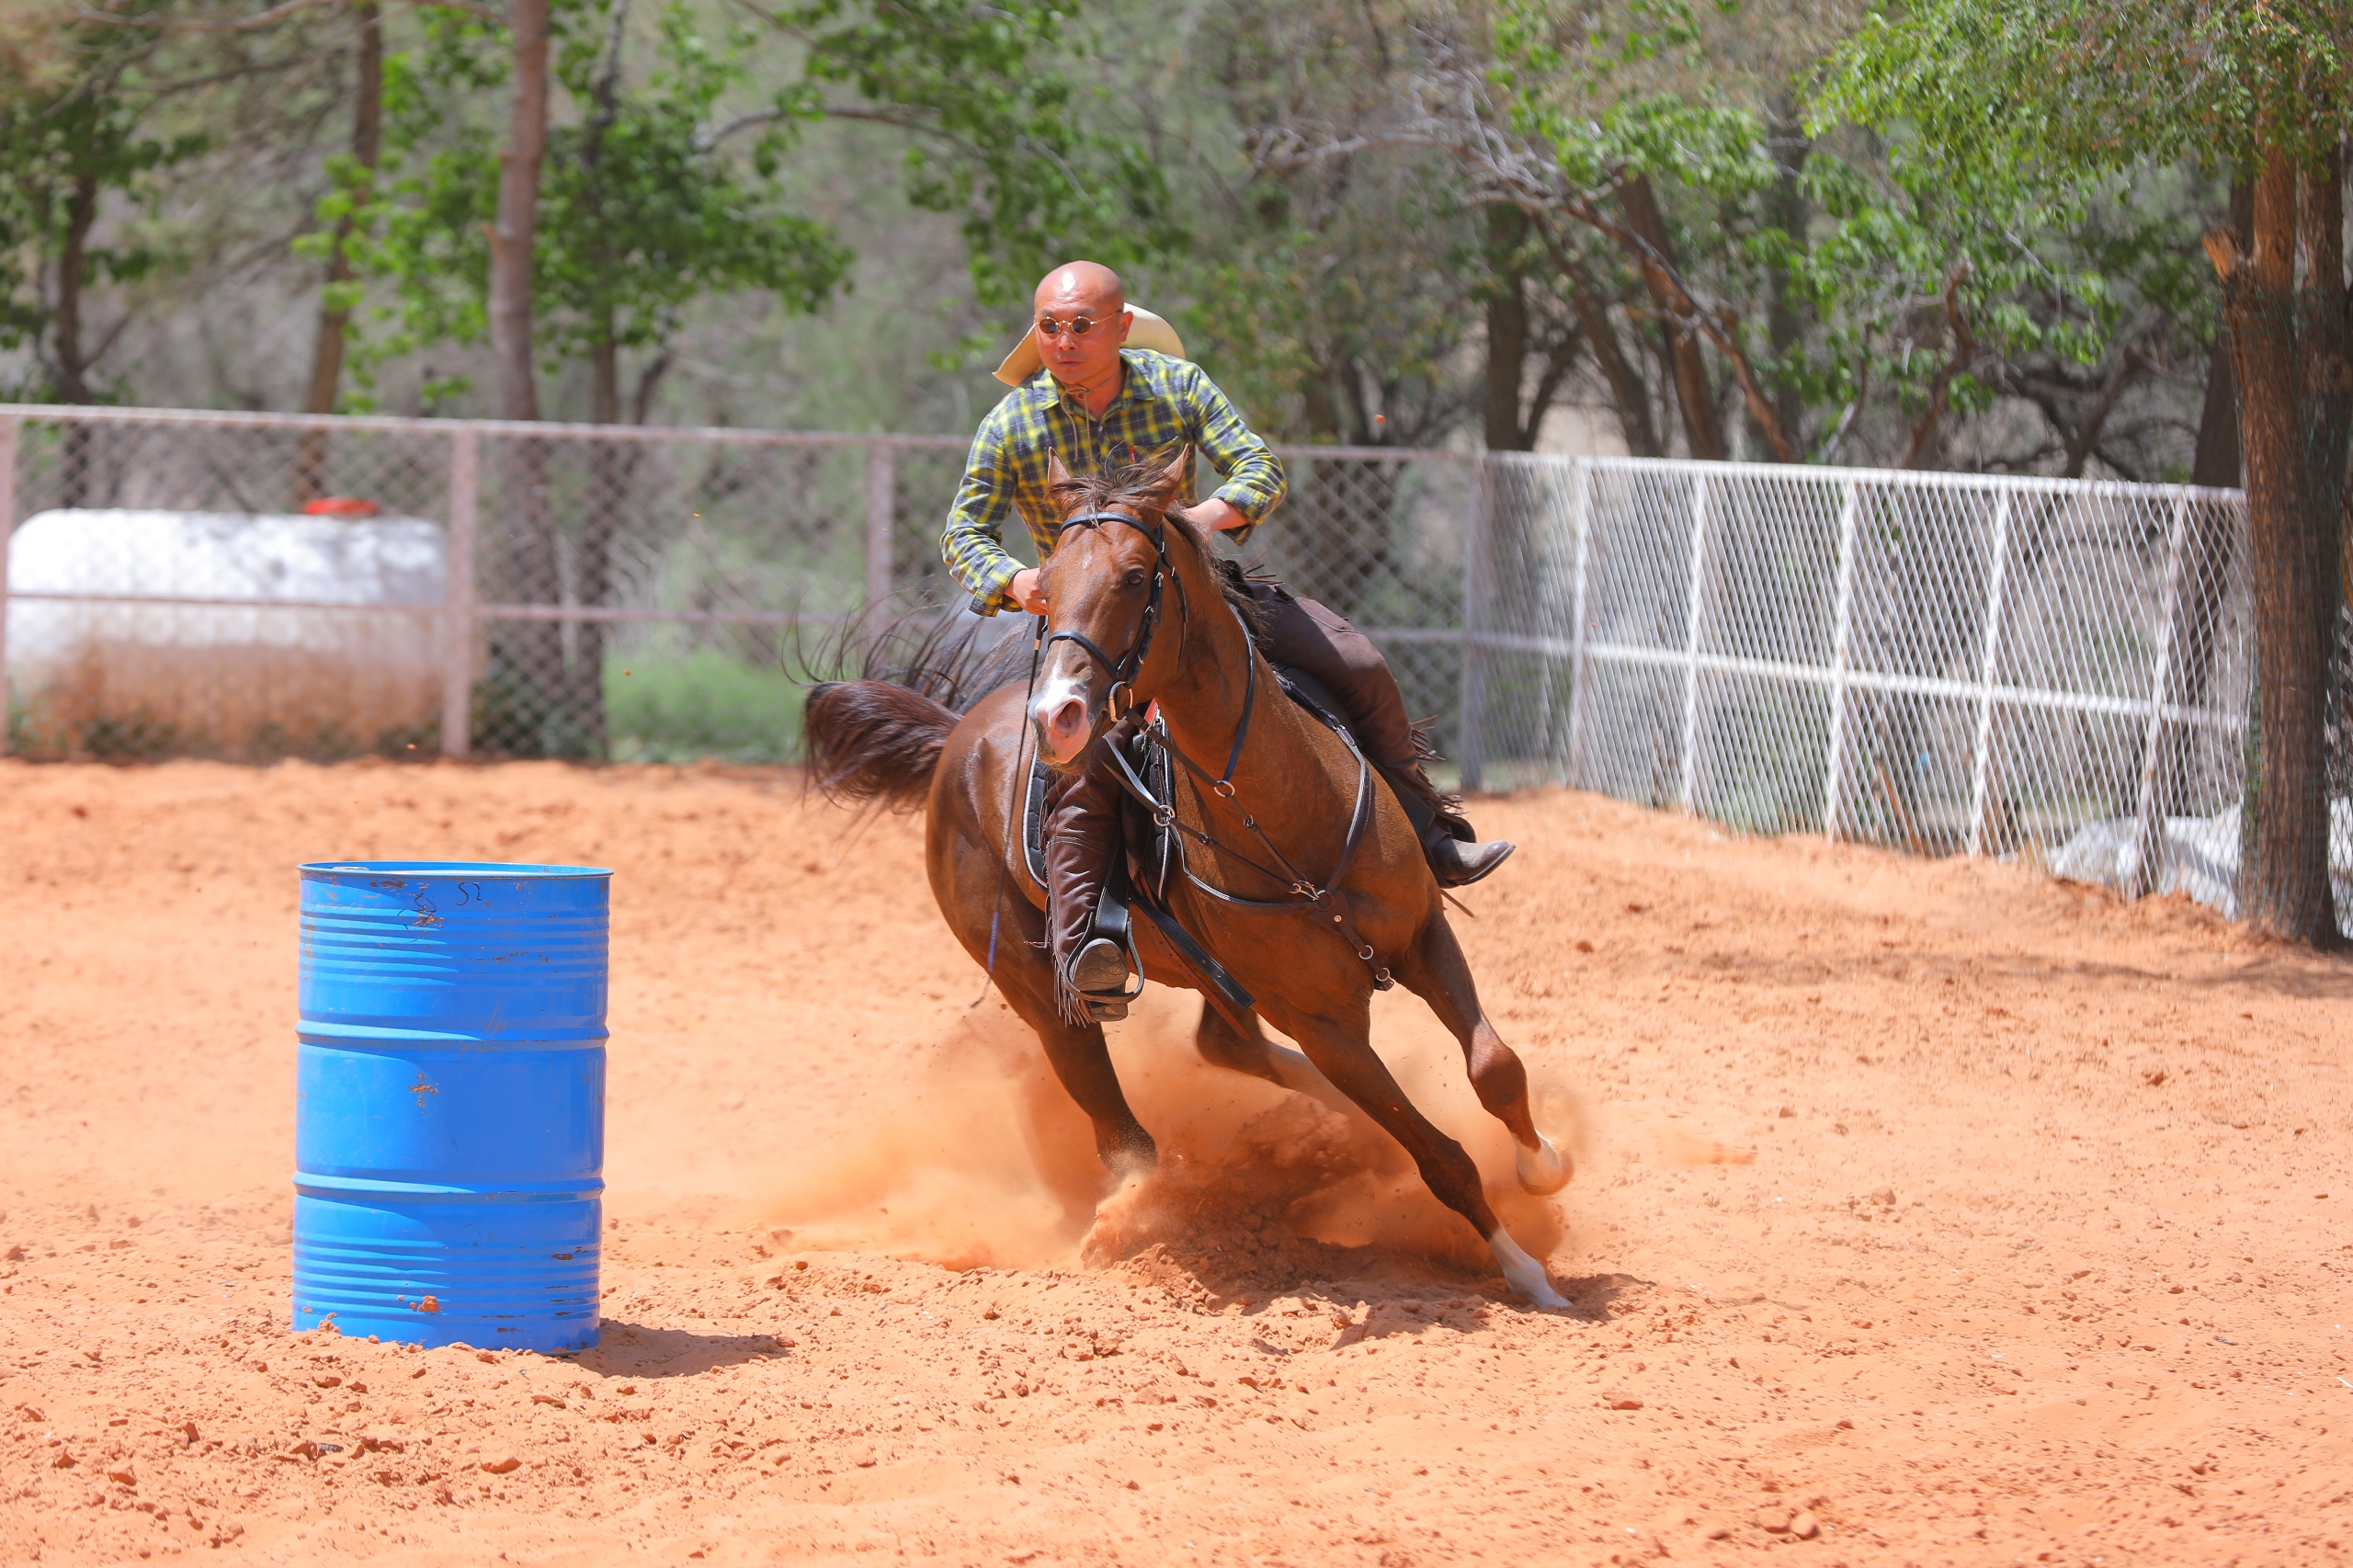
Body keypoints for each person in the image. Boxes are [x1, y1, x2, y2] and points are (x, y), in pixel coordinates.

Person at [941, 259, 1513, 1022]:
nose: (1064, 340)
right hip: (1090, 631)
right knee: (1077, 763)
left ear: (1121, 328)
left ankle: (1426, 831)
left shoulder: (1177, 386)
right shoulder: (1012, 424)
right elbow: (962, 532)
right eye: (1049, 326)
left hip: (1200, 602)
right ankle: (1090, 941)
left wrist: (1195, 522)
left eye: (1081, 326)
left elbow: (1259, 468)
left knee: (1357, 661)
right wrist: (1017, 581)